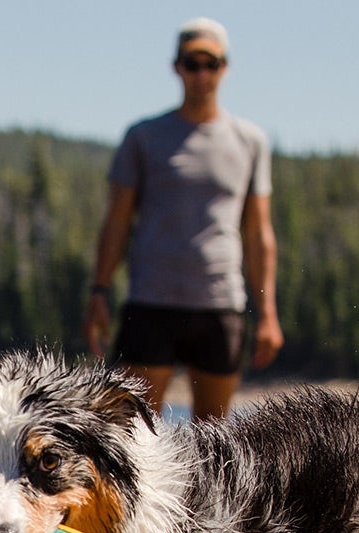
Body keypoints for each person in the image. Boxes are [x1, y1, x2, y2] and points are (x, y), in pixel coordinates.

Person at [83, 17, 282, 422]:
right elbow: (117, 221)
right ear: (177, 67)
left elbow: (259, 231)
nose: (202, 74)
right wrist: (99, 291)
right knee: (133, 436)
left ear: (225, 68)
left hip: (220, 303)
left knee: (213, 444)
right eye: (193, 63)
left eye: (211, 63)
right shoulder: (143, 137)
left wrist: (268, 315)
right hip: (151, 303)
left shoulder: (250, 141)